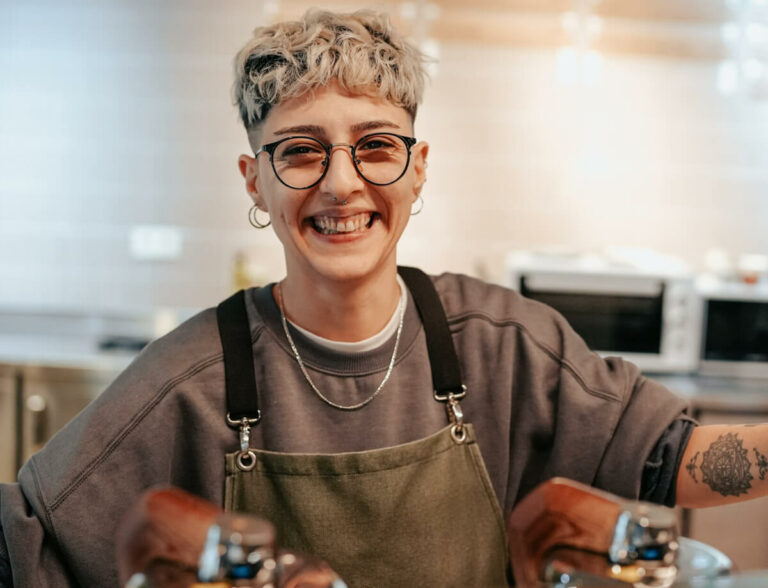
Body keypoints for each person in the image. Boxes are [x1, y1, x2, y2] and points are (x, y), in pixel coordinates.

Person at [1, 8, 767, 587]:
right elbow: (26, 541)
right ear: (254, 180)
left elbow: (670, 461)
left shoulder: (501, 346)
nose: (342, 183)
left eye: (374, 145)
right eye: (300, 151)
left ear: (418, 167)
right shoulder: (187, 383)